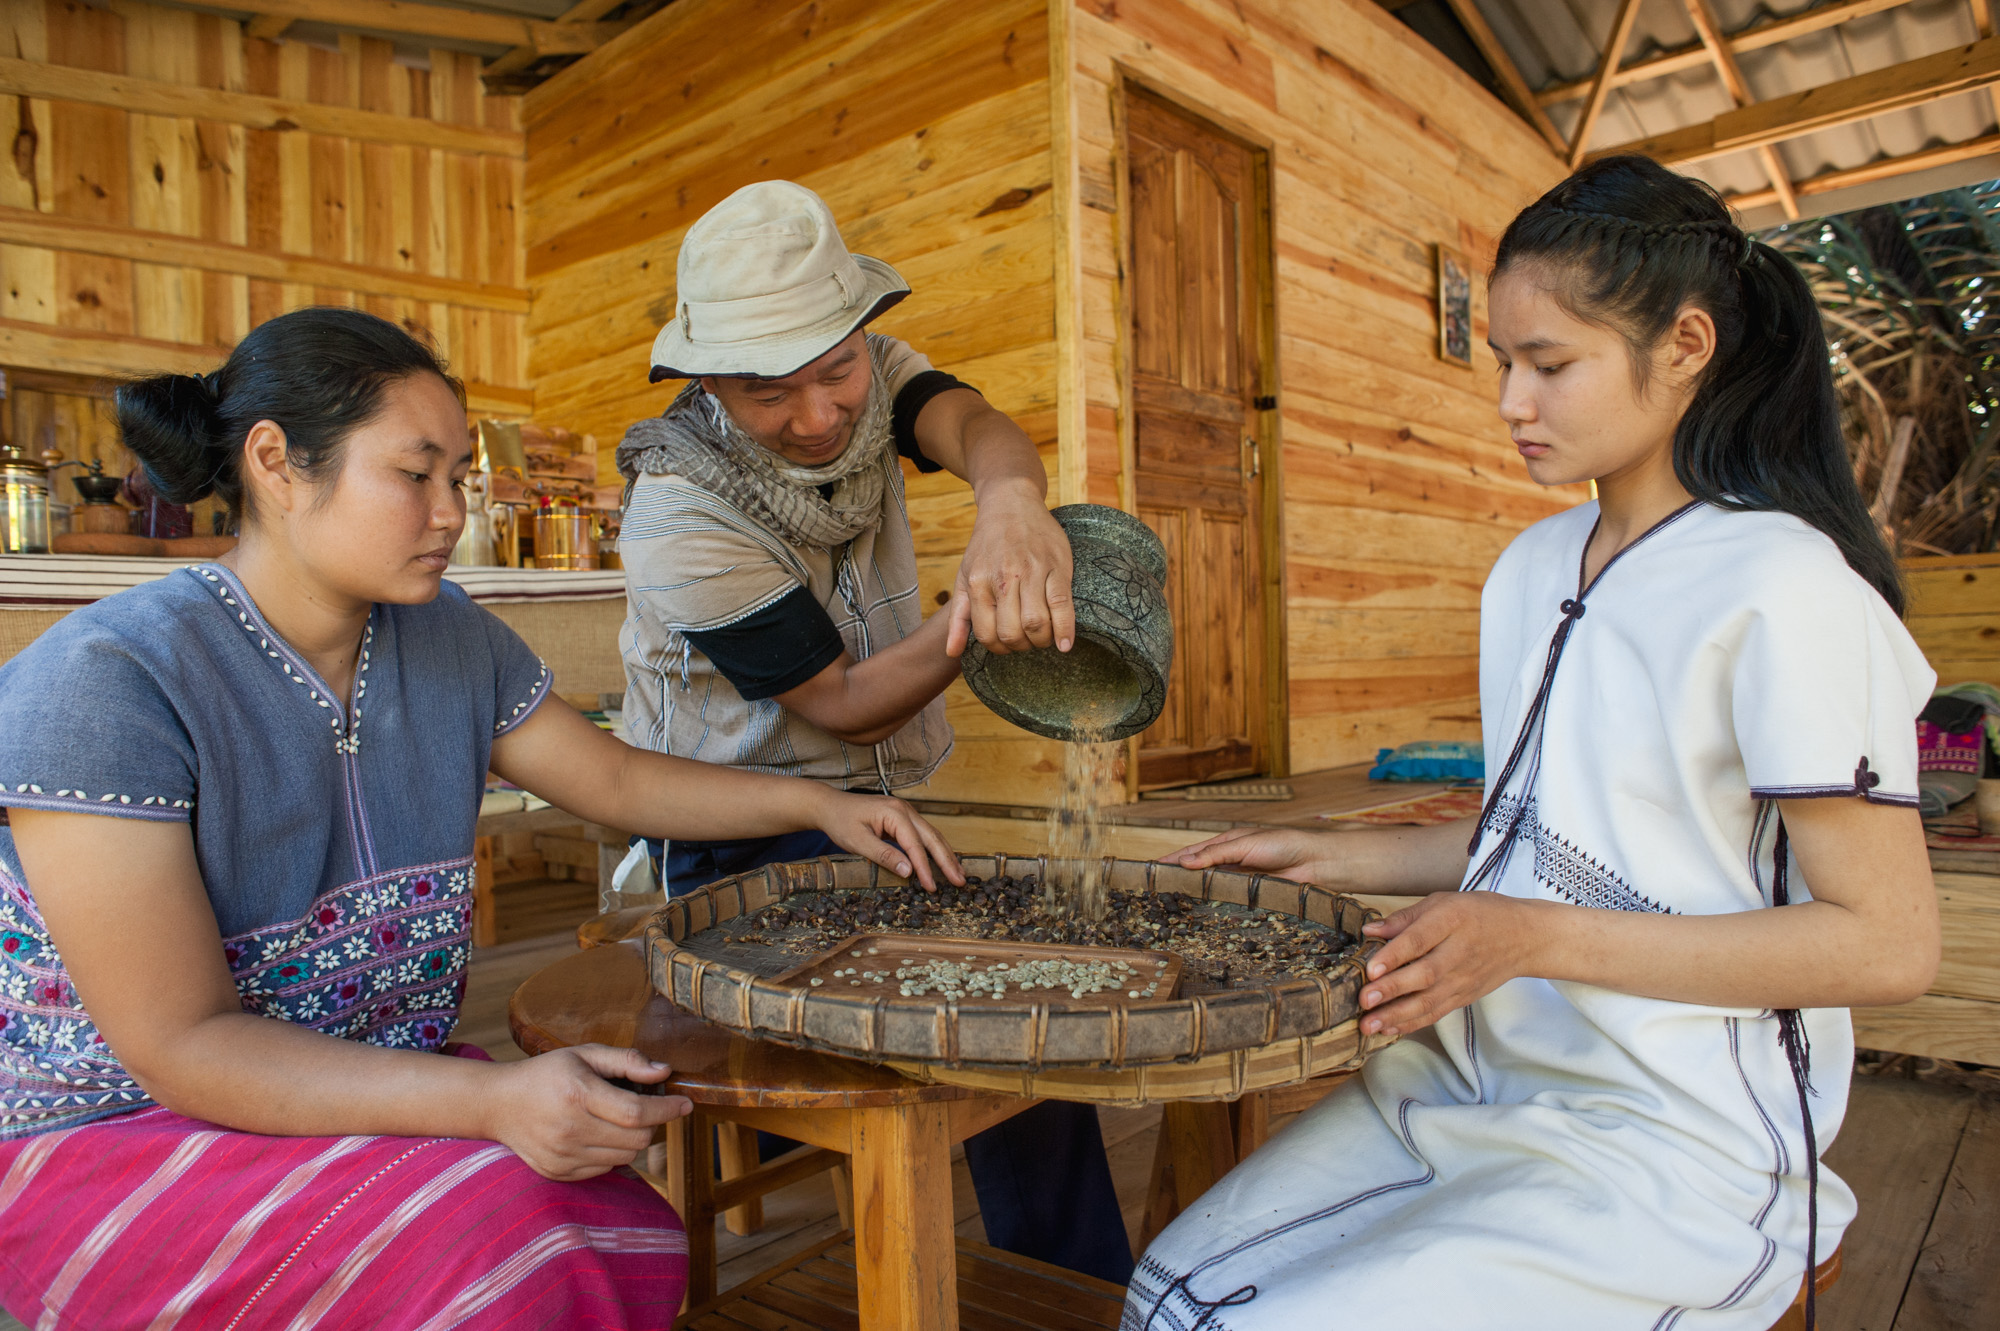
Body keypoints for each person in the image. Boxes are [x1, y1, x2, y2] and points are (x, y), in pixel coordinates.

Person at [0, 307, 960, 1330]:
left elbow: (617, 781)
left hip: (364, 1082)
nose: (449, 511)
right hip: (124, 1128)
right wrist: (491, 1100)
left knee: (617, 1222)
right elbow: (179, 1042)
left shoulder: (445, 635)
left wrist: (817, 801)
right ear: (276, 463)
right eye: (415, 475)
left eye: (457, 476)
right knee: (504, 1247)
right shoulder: (106, 681)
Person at [1124, 156, 1941, 1331]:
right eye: (1505, 361)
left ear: (1685, 346)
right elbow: (1548, 832)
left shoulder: (1786, 587)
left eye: (1549, 364)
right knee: (1168, 1297)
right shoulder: (1528, 570)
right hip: (1459, 1080)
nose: (1510, 400)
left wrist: (1530, 937)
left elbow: (1886, 945)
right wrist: (1328, 852)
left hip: (1674, 1135)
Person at [614, 180, 1134, 1285]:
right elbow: (842, 700)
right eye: (766, 391)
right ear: (703, 378)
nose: (814, 414)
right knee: (987, 991)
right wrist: (974, 620)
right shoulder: (680, 508)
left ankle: (1084, 1293)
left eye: (835, 370)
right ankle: (1035, 1267)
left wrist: (1009, 506)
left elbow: (978, 428)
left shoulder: (880, 373)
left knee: (1009, 978)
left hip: (880, 809)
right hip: (741, 828)